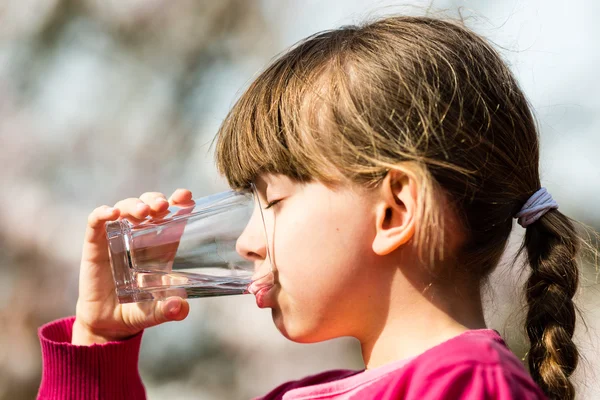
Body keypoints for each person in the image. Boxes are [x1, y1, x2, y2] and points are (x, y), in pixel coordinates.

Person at [37, 15, 589, 400]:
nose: (246, 241)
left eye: (272, 201)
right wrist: (98, 346)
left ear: (395, 211)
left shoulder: (468, 385)